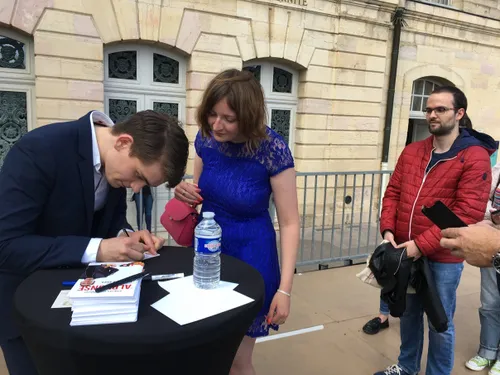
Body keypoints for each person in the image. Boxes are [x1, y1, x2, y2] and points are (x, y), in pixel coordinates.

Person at [0, 110, 189, 375]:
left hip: (84, 312)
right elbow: (6, 245)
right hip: (27, 313)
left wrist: (125, 236)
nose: (135, 188)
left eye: (144, 185)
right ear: (123, 142)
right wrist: (98, 248)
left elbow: (112, 221)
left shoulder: (115, 165)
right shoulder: (39, 149)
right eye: (138, 176)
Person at [174, 69, 300, 375]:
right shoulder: (206, 139)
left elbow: (290, 222)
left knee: (236, 361)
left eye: (228, 118)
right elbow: (200, 193)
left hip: (251, 256)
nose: (217, 124)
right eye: (212, 115)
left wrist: (285, 290)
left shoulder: (272, 149)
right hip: (207, 253)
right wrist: (184, 191)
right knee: (204, 349)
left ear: (249, 115)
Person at [374, 86, 496, 375]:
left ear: (459, 113)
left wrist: (421, 244)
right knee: (407, 314)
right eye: (429, 109)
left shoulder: (474, 157)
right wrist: (388, 229)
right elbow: (393, 193)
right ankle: (406, 367)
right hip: (404, 250)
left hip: (443, 257)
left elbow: (467, 213)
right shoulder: (413, 150)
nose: (431, 114)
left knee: (440, 322)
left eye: (440, 109)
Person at [458, 162, 500, 374]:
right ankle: (488, 351)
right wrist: (488, 219)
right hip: (492, 244)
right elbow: (486, 197)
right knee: (490, 302)